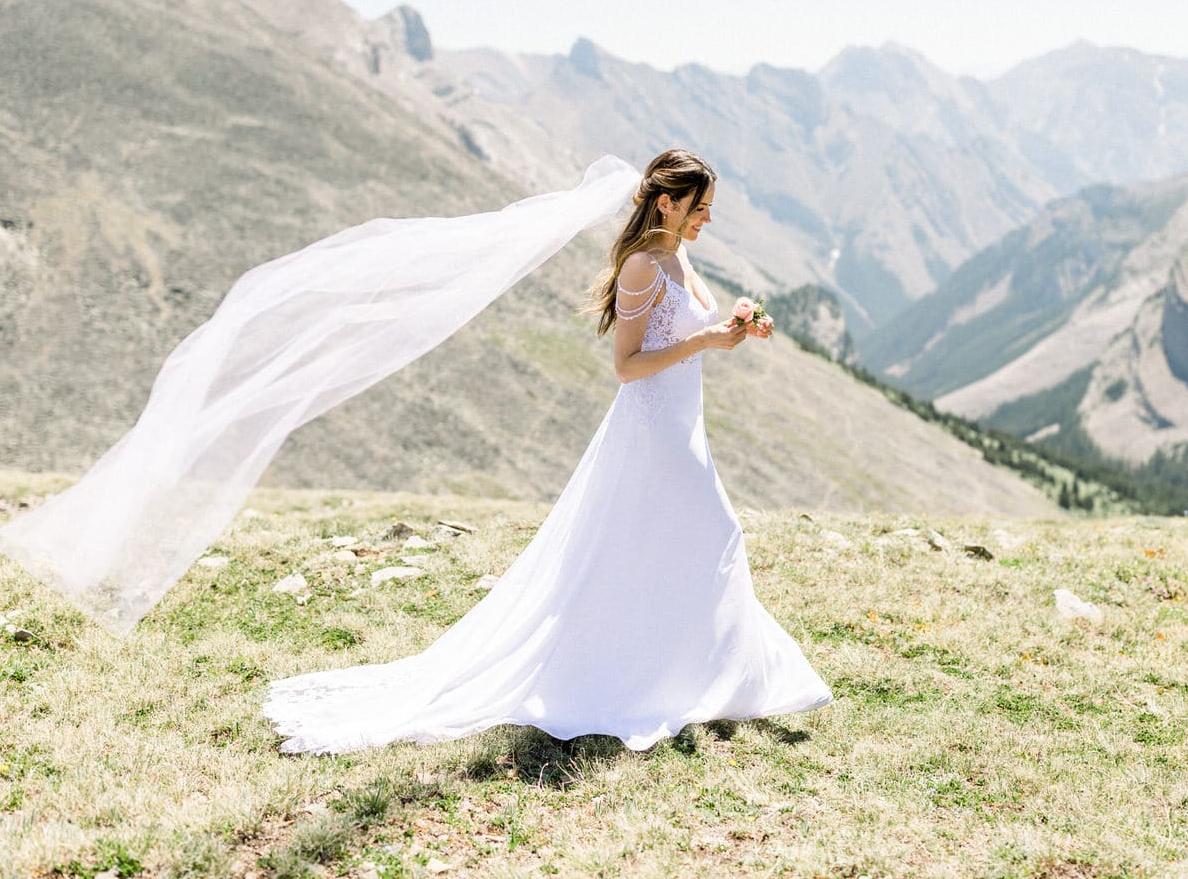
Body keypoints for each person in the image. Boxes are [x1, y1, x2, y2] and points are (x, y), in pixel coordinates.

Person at [262, 150, 833, 753]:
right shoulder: (642, 265)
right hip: (653, 431)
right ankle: (706, 681)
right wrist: (705, 342)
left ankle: (683, 675)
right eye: (700, 208)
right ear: (666, 202)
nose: (707, 221)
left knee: (668, 545)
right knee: (717, 535)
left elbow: (684, 334)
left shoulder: (677, 254)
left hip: (683, 426)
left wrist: (735, 328)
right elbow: (628, 366)